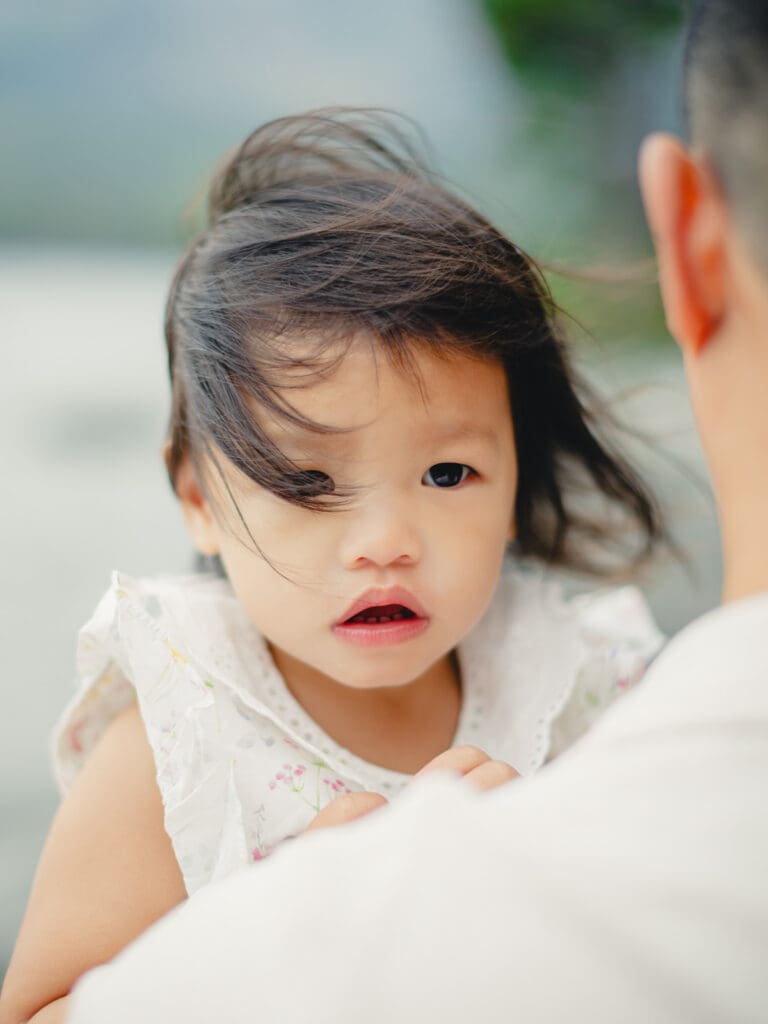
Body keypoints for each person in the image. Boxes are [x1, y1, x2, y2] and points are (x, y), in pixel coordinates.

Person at [51, 0, 768, 1018]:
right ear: (198, 500)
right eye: (306, 483)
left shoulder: (581, 683)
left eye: (447, 476)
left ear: (518, 480)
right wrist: (288, 922)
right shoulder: (185, 732)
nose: (386, 542)